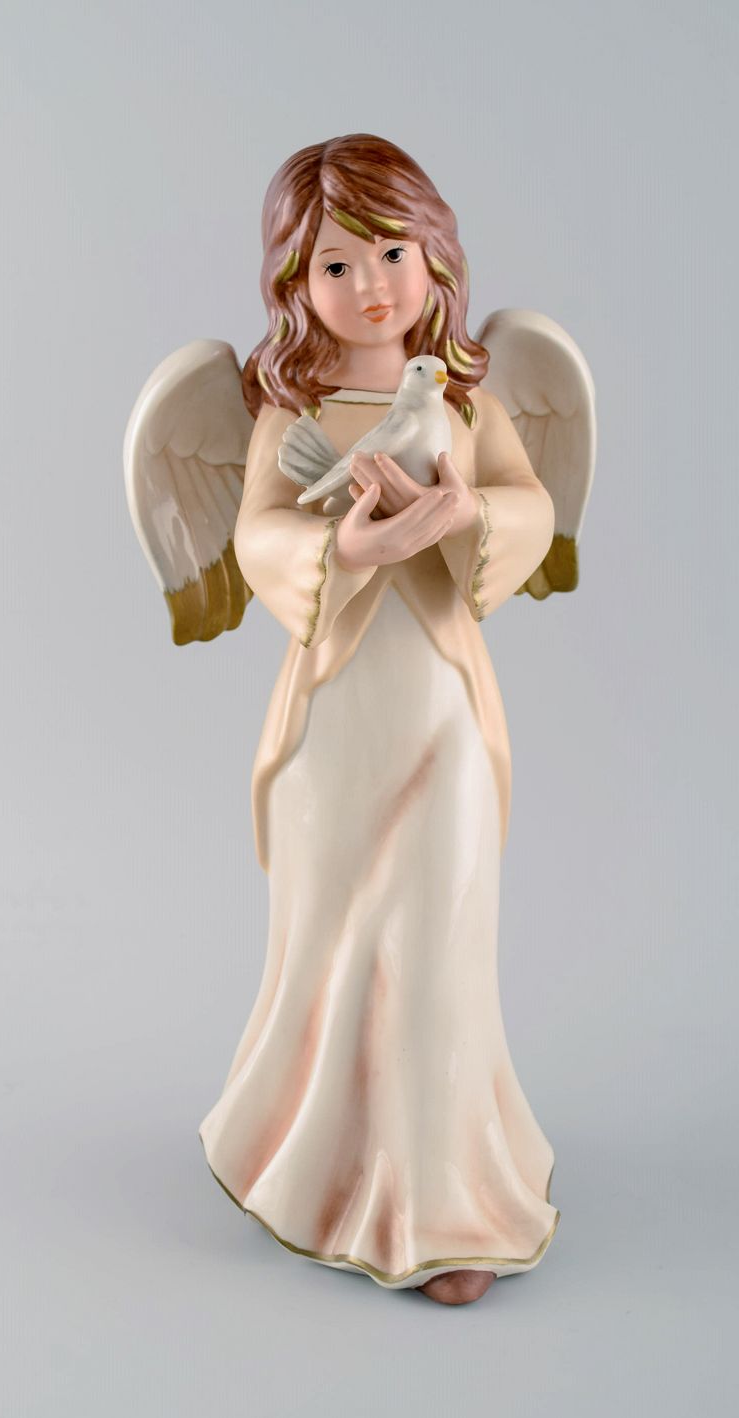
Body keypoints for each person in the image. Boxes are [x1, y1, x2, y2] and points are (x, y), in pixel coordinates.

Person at [199, 134, 559, 1305]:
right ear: (294, 282)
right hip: (336, 724)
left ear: (433, 254)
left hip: (442, 713)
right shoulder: (287, 414)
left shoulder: (465, 403)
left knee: (437, 941)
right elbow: (259, 533)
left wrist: (461, 517)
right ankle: (325, 1173)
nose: (371, 287)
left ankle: (444, 1201)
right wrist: (345, 547)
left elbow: (528, 506)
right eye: (336, 265)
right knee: (337, 942)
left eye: (392, 253)